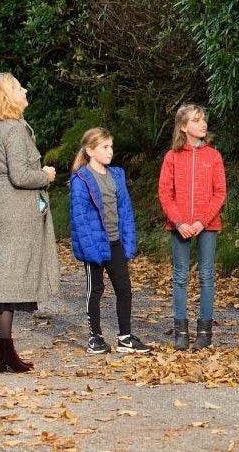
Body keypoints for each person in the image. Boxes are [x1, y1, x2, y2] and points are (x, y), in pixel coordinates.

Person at [0, 73, 60, 373]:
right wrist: (46, 176)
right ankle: (3, 351)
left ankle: (5, 350)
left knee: (3, 274)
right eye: (18, 87)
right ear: (7, 97)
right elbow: (21, 176)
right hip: (13, 205)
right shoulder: (13, 129)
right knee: (6, 278)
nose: (24, 89)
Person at [69, 128, 152, 356]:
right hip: (94, 245)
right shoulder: (81, 179)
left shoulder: (116, 175)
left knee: (124, 289)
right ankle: (95, 337)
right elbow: (80, 217)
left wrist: (128, 240)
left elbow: (125, 210)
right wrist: (89, 249)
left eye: (111, 146)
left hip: (115, 242)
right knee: (95, 291)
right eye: (105, 147)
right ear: (90, 150)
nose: (110, 151)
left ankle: (125, 337)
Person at [158, 104, 227, 350]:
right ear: (184, 126)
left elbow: (220, 193)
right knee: (180, 276)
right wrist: (179, 222)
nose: (203, 123)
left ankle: (205, 333)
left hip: (207, 225)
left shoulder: (214, 156)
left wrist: (201, 221)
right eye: (197, 120)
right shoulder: (172, 157)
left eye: (204, 119)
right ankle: (181, 332)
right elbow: (165, 193)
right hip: (179, 226)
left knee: (206, 275)